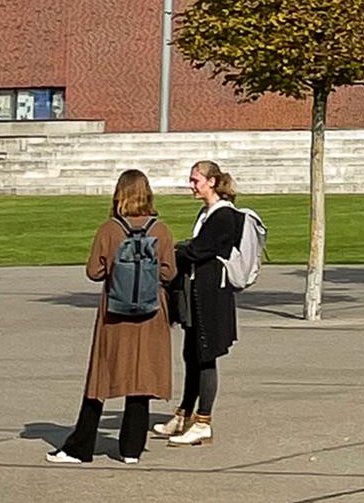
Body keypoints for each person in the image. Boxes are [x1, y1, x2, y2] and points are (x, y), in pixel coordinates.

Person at [48, 170, 177, 464]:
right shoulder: (161, 229)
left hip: (116, 312)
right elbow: (169, 272)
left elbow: (94, 271)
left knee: (101, 377)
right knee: (141, 377)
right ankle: (131, 448)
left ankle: (81, 445)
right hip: (151, 312)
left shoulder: (110, 229)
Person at [156, 161, 243, 446]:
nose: (192, 185)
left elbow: (199, 251)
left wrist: (176, 250)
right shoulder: (206, 213)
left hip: (212, 296)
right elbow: (195, 249)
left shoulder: (224, 216)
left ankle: (203, 421)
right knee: (191, 354)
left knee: (206, 356)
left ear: (212, 182)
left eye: (196, 180)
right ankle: (184, 413)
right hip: (197, 294)